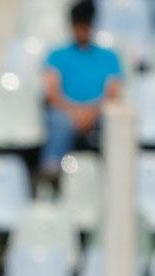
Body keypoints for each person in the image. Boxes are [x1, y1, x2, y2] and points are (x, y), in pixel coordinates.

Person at [40, 0, 121, 187]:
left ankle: (114, 176)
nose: (82, 29)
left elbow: (113, 92)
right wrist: (74, 112)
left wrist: (92, 112)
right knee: (58, 121)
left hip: (97, 113)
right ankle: (51, 172)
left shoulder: (109, 57)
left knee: (114, 120)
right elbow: (52, 93)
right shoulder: (57, 55)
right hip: (66, 112)